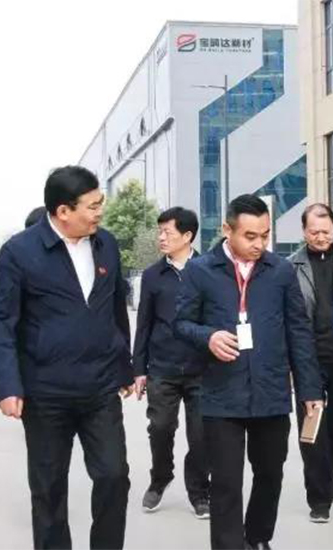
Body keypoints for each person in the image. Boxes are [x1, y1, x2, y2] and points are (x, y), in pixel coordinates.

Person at [0, 166, 133, 549]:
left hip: (100, 388)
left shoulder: (106, 244)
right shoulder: (20, 252)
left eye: (100, 203)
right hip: (45, 393)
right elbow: (0, 321)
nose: (100, 212)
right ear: (63, 211)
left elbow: (116, 308)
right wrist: (6, 383)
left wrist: (126, 365)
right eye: (92, 205)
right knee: (49, 488)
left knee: (114, 476)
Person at [174, 194, 324, 550]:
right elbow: (180, 323)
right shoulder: (200, 271)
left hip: (271, 390)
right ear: (227, 230)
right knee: (226, 481)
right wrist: (208, 336)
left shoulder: (280, 271)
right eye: (250, 236)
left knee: (270, 473)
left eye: (265, 235)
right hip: (221, 392)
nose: (259, 244)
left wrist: (310, 390)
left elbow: (298, 331)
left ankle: (257, 538)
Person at [132, 207, 210, 518]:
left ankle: (199, 491)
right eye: (160, 232)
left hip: (202, 369)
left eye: (168, 232)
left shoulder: (208, 270)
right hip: (162, 368)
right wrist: (139, 369)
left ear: (187, 236)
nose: (161, 237)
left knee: (201, 436)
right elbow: (144, 323)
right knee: (161, 428)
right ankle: (160, 478)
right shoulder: (153, 275)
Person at [289, 204, 333, 523]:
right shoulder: (291, 268)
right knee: (312, 430)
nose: (320, 237)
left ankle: (327, 473)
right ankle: (319, 498)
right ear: (304, 231)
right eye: (314, 232)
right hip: (309, 359)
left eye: (326, 231)